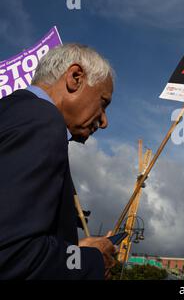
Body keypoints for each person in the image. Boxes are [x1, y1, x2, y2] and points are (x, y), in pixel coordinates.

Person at [0, 44, 116, 279]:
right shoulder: (42, 120)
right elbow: (12, 256)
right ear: (75, 77)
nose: (104, 122)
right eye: (103, 103)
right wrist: (92, 259)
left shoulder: (13, 112)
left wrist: (72, 251)